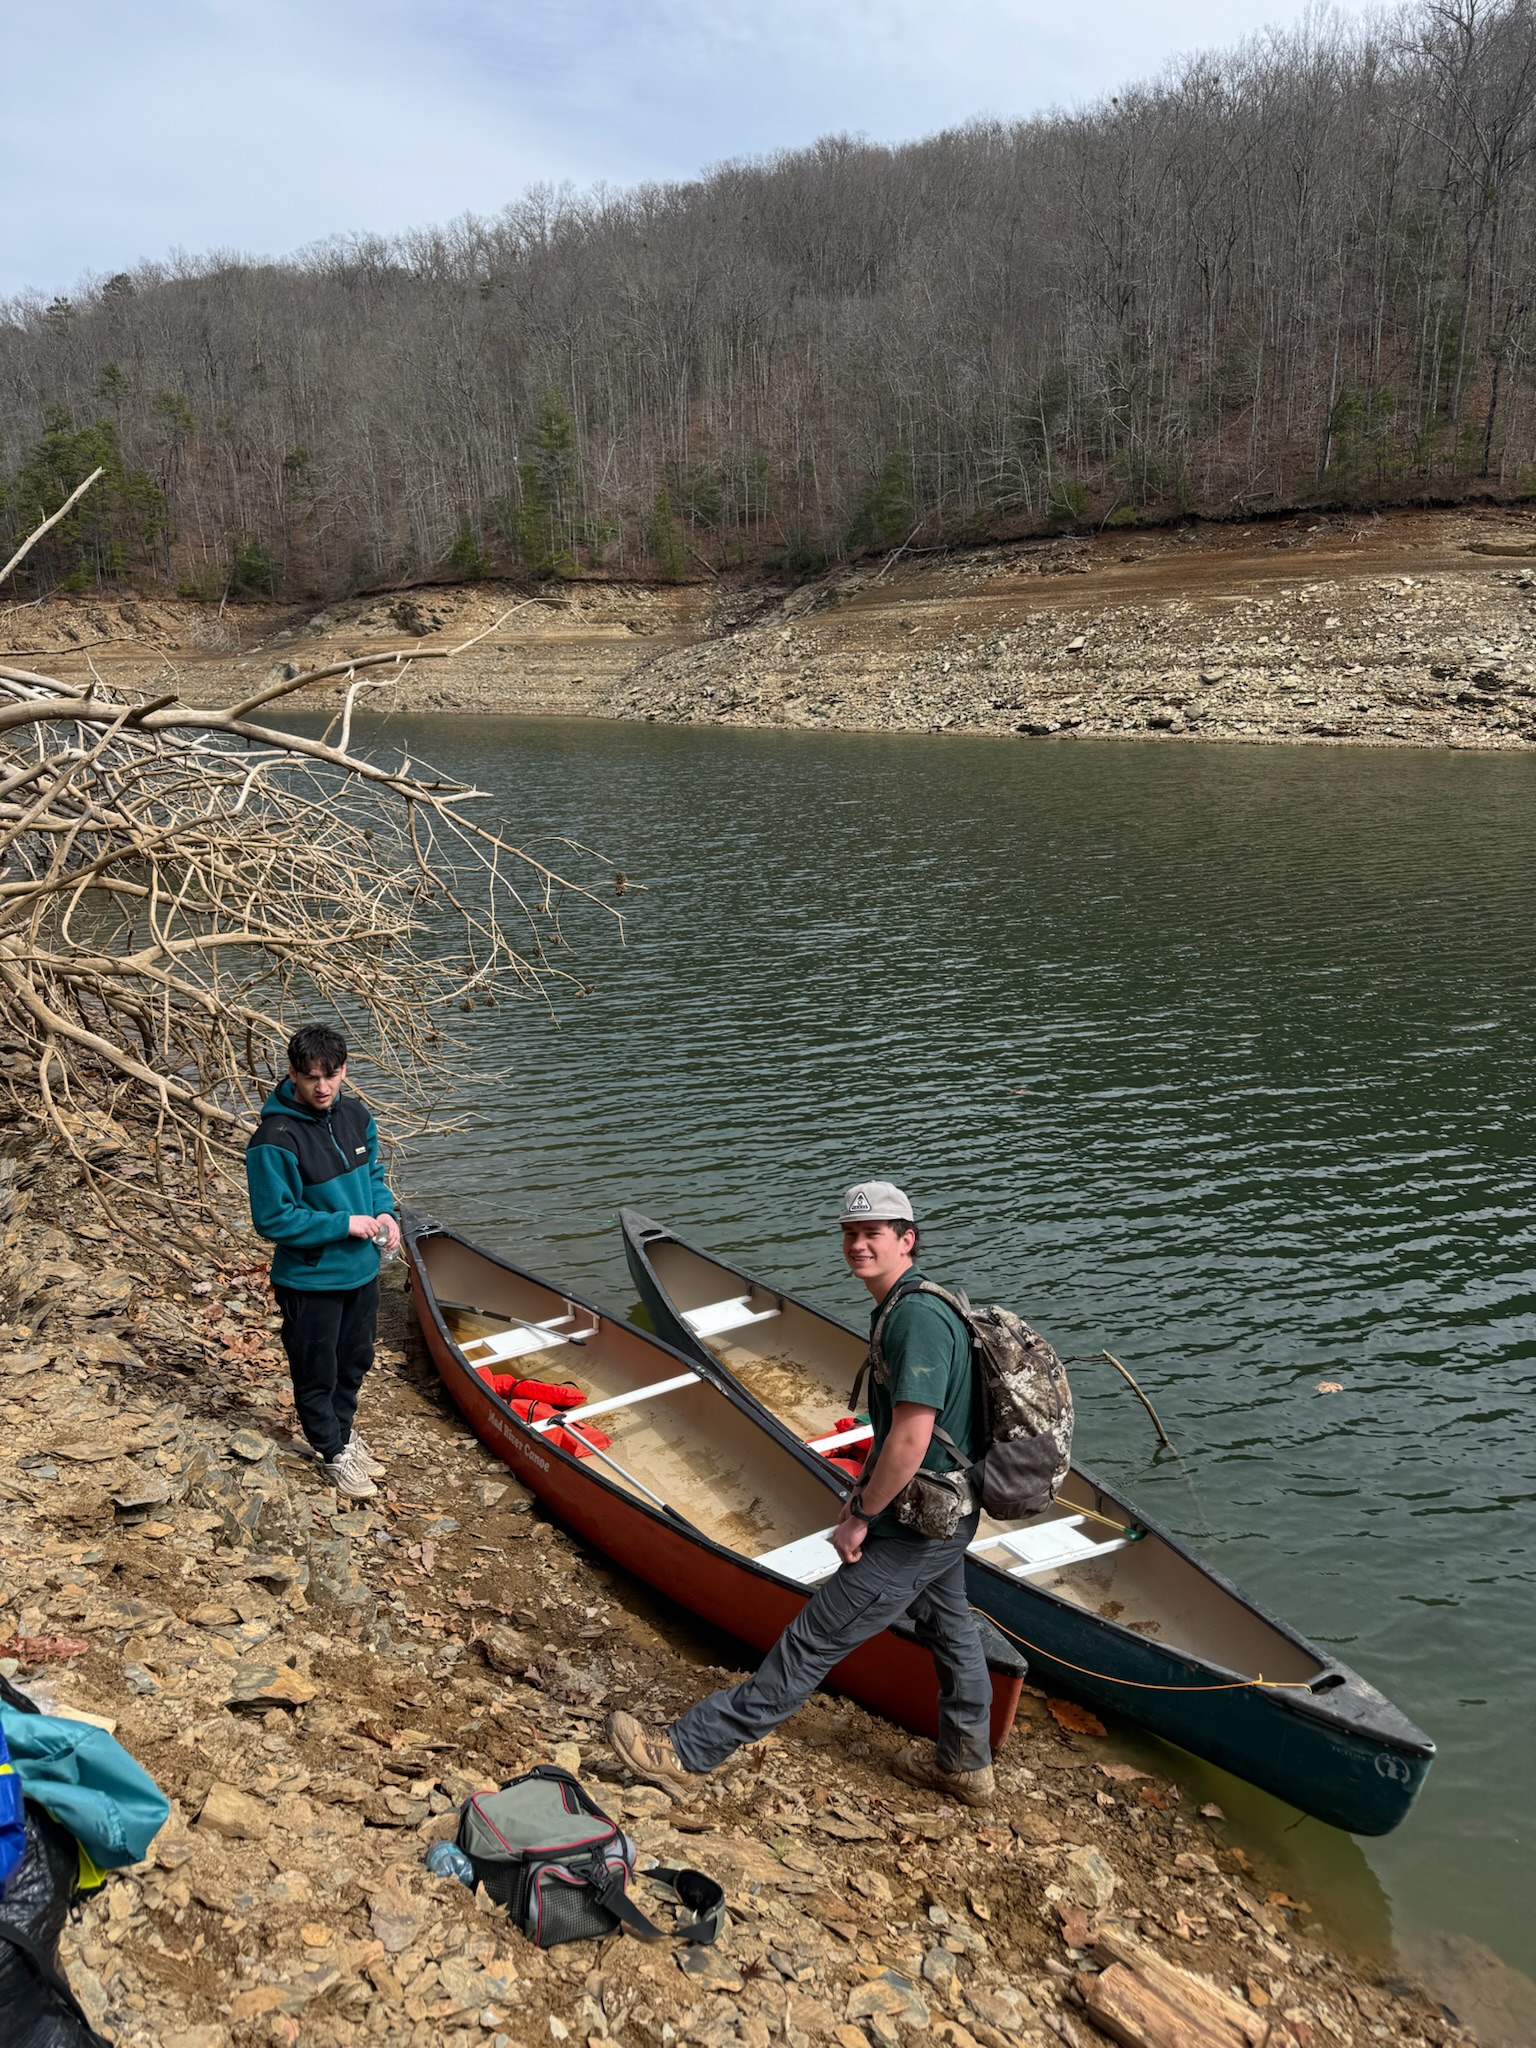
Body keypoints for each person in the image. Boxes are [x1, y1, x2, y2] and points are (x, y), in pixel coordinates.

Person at [607, 1180, 995, 1806]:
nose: (859, 1244)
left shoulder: (915, 1318)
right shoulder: (912, 1303)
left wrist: (862, 1515)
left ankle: (686, 1752)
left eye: (873, 1234)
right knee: (951, 1628)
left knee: (812, 1640)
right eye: (850, 1233)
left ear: (907, 1240)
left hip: (918, 1524)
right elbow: (899, 1432)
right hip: (948, 1512)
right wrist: (862, 1486)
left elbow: (912, 1439)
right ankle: (966, 1765)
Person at [245, 1024, 399, 1501]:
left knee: (355, 1360)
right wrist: (343, 1224)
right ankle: (331, 1452)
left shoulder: (356, 1115)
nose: (322, 1087)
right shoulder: (273, 1138)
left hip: (361, 1272)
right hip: (310, 1280)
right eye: (311, 1077)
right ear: (293, 1074)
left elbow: (372, 1176)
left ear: (344, 1070)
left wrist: (384, 1213)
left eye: (331, 1076)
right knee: (317, 1371)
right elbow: (273, 1219)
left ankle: (343, 1434)